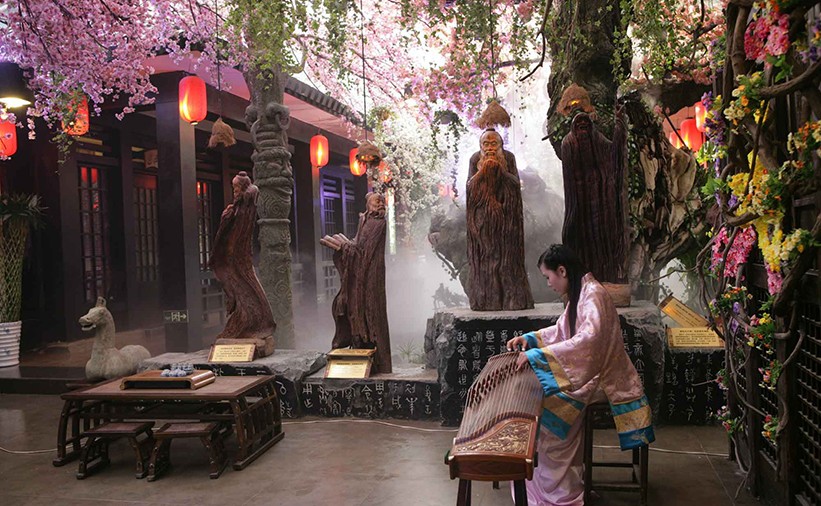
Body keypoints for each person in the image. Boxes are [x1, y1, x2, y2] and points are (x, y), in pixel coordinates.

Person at [506, 244, 654, 505]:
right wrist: (531, 340)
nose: (549, 283)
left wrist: (537, 357)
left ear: (562, 271)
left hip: (604, 377)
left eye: (548, 277)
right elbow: (562, 331)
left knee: (550, 410)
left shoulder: (593, 295)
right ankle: (548, 482)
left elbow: (589, 342)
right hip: (591, 371)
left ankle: (561, 490)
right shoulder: (583, 293)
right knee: (539, 401)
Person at [320, 192, 391, 374]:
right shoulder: (364, 220)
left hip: (371, 277)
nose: (380, 204)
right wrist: (348, 246)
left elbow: (364, 253)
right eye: (376, 201)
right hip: (361, 277)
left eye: (381, 202)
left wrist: (345, 247)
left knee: (370, 314)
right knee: (352, 309)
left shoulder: (378, 223)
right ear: (368, 204)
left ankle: (376, 359)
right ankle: (359, 347)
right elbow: (359, 244)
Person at [465, 128, 534, 311]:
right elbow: (470, 186)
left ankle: (515, 300)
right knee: (485, 260)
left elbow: (515, 184)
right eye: (486, 144)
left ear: (501, 145)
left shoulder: (508, 158)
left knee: (509, 261)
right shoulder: (475, 159)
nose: (490, 148)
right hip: (484, 219)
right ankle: (485, 300)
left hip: (507, 219)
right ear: (480, 146)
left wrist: (500, 171)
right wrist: (483, 171)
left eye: (494, 144)